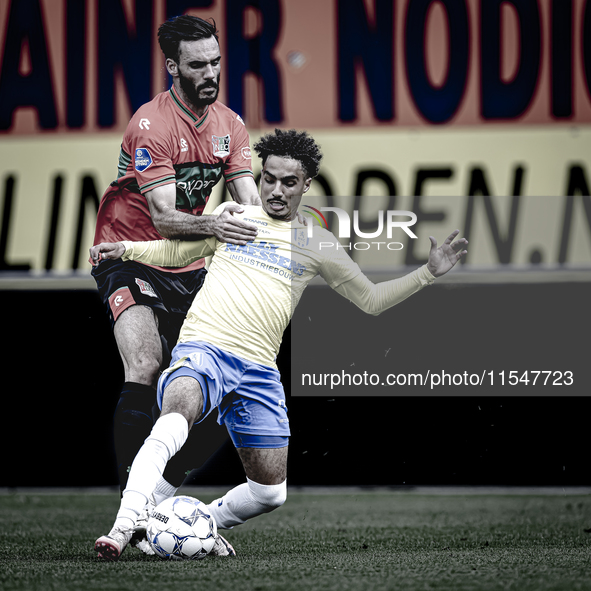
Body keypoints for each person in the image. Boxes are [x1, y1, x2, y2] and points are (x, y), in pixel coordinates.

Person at [90, 128, 468, 561]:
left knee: (270, 494)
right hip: (206, 347)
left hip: (258, 369)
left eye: (289, 182)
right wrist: (126, 249)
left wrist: (428, 273)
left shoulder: (318, 244)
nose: (275, 190)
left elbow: (372, 301)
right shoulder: (235, 215)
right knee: (175, 417)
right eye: (268, 178)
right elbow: (180, 253)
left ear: (306, 185)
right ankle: (124, 527)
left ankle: (198, 526)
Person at [91, 15, 261, 506]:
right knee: (145, 363)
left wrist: (279, 230)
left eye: (216, 63)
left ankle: (160, 493)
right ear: (173, 67)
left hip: (189, 265)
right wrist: (218, 226)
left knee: (224, 383)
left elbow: (249, 203)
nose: (210, 73)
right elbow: (164, 219)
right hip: (128, 253)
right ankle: (132, 506)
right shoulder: (151, 123)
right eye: (198, 65)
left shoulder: (230, 125)